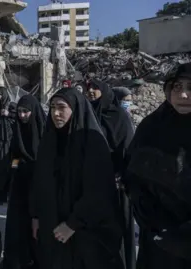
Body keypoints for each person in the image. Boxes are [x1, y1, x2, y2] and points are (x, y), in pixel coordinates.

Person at [32, 88, 124, 269]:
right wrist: (36, 215)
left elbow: (98, 191)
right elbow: (39, 181)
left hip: (85, 231)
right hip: (52, 226)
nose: (56, 113)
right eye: (52, 108)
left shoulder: (92, 143)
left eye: (61, 107)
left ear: (75, 109)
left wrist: (72, 224)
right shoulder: (49, 141)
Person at [122, 63, 191, 269]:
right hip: (158, 242)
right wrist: (158, 227)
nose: (184, 95)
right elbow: (134, 180)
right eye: (177, 87)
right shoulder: (151, 128)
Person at [85, 79, 135, 269]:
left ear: (104, 91)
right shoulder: (87, 114)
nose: (91, 91)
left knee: (118, 230)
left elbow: (128, 148)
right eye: (88, 88)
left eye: (95, 88)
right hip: (94, 182)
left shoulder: (118, 115)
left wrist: (122, 175)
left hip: (117, 184)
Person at [2, 94, 45, 269]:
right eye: (19, 111)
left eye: (26, 111)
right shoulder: (18, 131)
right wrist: (16, 166)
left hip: (41, 186)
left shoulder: (45, 132)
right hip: (21, 186)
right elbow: (14, 155)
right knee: (20, 227)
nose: (22, 115)